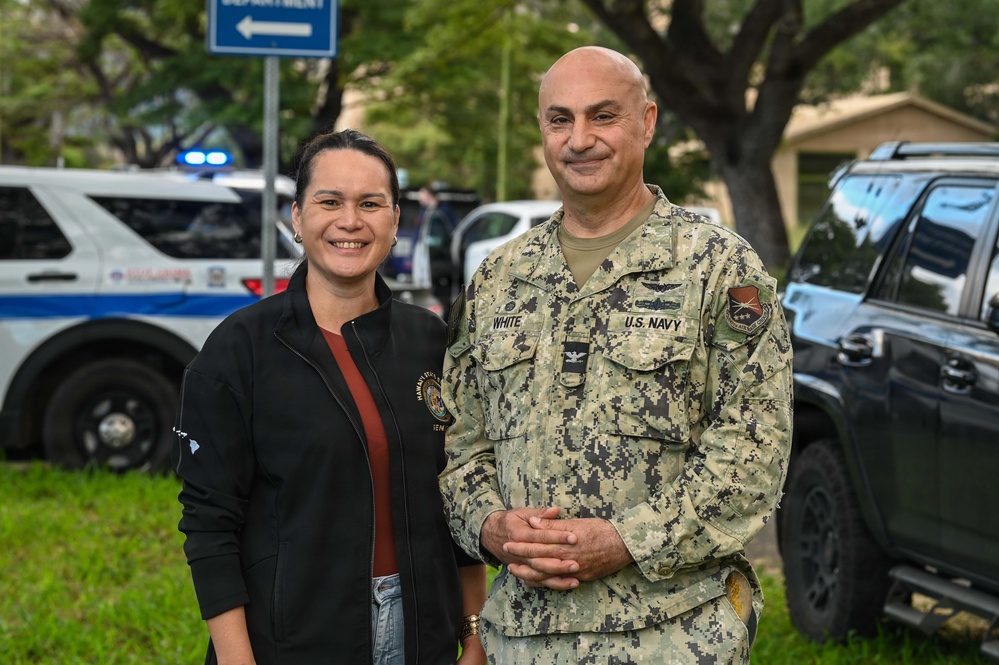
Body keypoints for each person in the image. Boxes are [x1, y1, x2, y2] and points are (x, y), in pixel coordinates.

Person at [438, 46, 792, 664]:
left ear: (647, 123)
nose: (579, 140)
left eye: (603, 116)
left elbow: (753, 452)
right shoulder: (499, 278)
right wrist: (491, 527)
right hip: (523, 639)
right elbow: (460, 444)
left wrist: (627, 540)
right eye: (560, 119)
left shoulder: (717, 268)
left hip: (674, 636)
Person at [173, 128, 487, 665]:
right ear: (297, 218)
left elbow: (456, 497)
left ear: (394, 221)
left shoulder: (432, 341)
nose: (350, 221)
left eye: (370, 203)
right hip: (293, 640)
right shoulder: (240, 349)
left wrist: (474, 634)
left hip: (423, 635)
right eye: (330, 202)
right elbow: (210, 524)